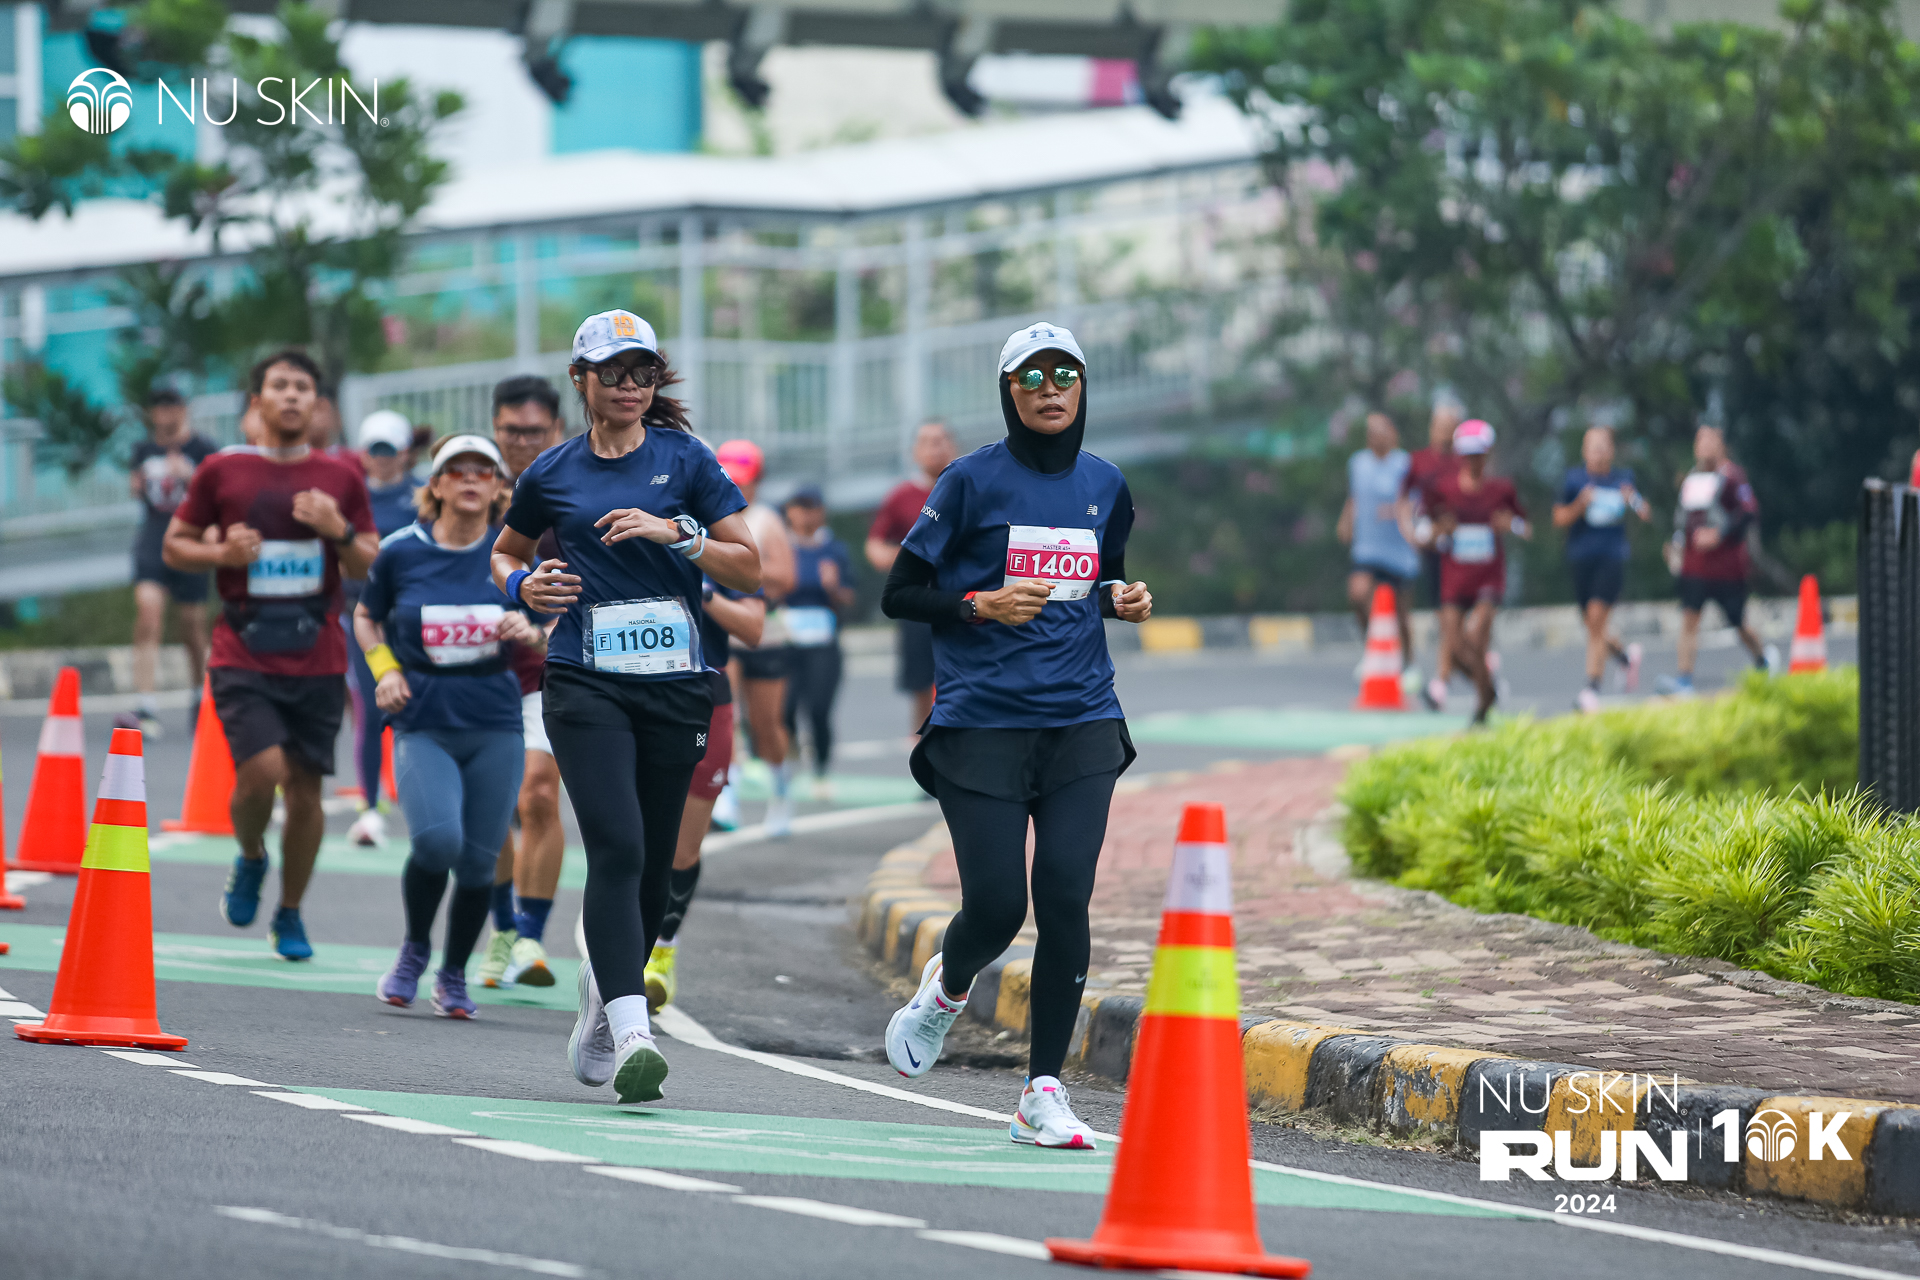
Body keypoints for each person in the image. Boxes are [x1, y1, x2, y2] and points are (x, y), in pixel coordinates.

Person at [878, 321, 1152, 1150]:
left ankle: (1042, 1091)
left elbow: (1097, 581)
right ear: (1009, 391)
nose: (1049, 388)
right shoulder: (968, 482)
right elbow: (900, 592)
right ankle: (949, 986)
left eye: (1064, 373)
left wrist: (1123, 599)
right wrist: (978, 604)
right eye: (1031, 376)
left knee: (1065, 892)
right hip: (982, 723)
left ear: (1082, 386)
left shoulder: (1106, 483)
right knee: (998, 906)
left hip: (1082, 719)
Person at [491, 309, 760, 1104]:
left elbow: (748, 568)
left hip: (677, 686)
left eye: (643, 372)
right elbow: (505, 552)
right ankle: (636, 1030)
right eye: (613, 372)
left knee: (651, 861)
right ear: (582, 380)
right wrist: (523, 585)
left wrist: (678, 535)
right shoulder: (552, 472)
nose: (630, 386)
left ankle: (604, 1001)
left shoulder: (687, 459)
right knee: (615, 844)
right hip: (585, 680)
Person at [165, 349, 378, 961]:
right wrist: (221, 556)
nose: (291, 396)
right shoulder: (222, 471)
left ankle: (289, 912)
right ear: (257, 401)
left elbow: (369, 562)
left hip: (317, 652)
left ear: (318, 404)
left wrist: (338, 530)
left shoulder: (341, 477)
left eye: (302, 387)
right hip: (243, 648)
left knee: (306, 791)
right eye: (279, 386)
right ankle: (252, 854)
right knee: (262, 772)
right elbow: (176, 545)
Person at [359, 435, 537, 1018]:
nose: (470, 480)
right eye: (456, 471)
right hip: (424, 721)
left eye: (482, 471)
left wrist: (530, 632)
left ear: (498, 486)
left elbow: (551, 625)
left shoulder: (511, 557)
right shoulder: (400, 552)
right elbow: (366, 616)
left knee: (480, 862)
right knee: (438, 842)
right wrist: (385, 669)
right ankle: (414, 948)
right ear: (435, 485)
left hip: (495, 722)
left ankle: (454, 973)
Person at [476, 375, 570, 990]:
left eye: (535, 432)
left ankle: (530, 938)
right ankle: (502, 929)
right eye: (512, 431)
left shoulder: (572, 495)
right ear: (496, 430)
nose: (523, 442)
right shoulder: (468, 488)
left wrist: (545, 631)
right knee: (491, 812)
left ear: (556, 430)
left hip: (545, 674)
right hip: (474, 678)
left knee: (537, 796)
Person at [643, 568, 767, 1013]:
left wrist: (704, 593)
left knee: (682, 850)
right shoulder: (612, 530)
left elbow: (752, 629)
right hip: (630, 694)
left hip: (704, 698)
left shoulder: (719, 542)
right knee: (629, 839)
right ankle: (620, 958)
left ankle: (661, 950)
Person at [343, 410, 421, 847]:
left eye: (389, 449)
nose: (382, 457)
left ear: (405, 452)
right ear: (363, 454)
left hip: (413, 620)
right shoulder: (350, 499)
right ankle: (370, 809)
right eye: (375, 449)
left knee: (420, 704)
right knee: (371, 710)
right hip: (365, 620)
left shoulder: (424, 496)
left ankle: (425, 802)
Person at [1421, 418, 1529, 725]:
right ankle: (1488, 690)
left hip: (1488, 576)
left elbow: (1525, 526)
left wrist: (1510, 524)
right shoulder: (1443, 489)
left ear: (1488, 454)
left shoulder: (1501, 489)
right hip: (1455, 577)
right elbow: (1425, 531)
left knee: (1478, 634)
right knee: (1456, 646)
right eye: (1467, 454)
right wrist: (1439, 530)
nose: (1473, 461)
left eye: (1478, 454)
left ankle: (1482, 707)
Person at [715, 439, 798, 836]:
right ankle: (727, 799)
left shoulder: (766, 519)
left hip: (765, 632)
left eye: (743, 479)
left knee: (766, 724)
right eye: (729, 477)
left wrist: (740, 569)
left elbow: (786, 577)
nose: (736, 486)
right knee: (726, 715)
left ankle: (780, 792)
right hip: (723, 630)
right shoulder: (710, 516)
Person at [128, 387, 216, 738]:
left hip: (190, 540)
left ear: (182, 410)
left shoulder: (202, 448)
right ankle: (145, 703)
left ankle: (198, 694)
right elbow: (136, 489)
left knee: (192, 624)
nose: (165, 414)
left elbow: (215, 493)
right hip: (153, 540)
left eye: (171, 407)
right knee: (148, 612)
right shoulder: (143, 450)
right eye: (159, 408)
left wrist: (188, 475)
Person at [1658, 424, 1771, 695]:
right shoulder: (1691, 479)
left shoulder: (1733, 477)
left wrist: (1719, 534)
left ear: (1721, 446)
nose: (1706, 447)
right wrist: (1676, 546)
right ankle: (1684, 680)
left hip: (1727, 568)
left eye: (1711, 441)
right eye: (1701, 441)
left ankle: (1763, 661)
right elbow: (1684, 521)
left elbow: (1749, 513)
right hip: (1694, 566)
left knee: (1738, 623)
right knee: (1689, 619)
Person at [867, 421, 959, 734]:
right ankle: (922, 746)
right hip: (918, 603)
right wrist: (914, 559)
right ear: (915, 451)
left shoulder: (969, 487)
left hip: (964, 599)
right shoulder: (901, 496)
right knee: (921, 682)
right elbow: (875, 548)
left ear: (954, 447)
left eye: (941, 440)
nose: (935, 448)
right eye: (927, 442)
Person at [1552, 426, 1649, 712]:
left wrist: (1633, 499)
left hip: (1612, 557)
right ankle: (1625, 657)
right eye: (1592, 446)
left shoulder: (1623, 479)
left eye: (1603, 446)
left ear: (1611, 450)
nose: (1598, 451)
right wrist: (1580, 505)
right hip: (1581, 558)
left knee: (1596, 618)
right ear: (1584, 451)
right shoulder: (1574, 480)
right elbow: (1558, 518)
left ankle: (1591, 688)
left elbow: (1645, 512)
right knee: (1593, 624)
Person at [781, 485, 856, 800]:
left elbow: (850, 598)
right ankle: (787, 762)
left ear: (822, 512)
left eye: (812, 508)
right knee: (784, 709)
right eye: (800, 507)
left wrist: (834, 587)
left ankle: (822, 770)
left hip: (823, 642)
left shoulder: (834, 549)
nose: (806, 515)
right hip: (786, 641)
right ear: (789, 512)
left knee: (819, 709)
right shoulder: (780, 546)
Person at [1337, 411, 1417, 663]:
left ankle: (1407, 661)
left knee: (1400, 612)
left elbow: (1416, 503)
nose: (1375, 437)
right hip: (1367, 547)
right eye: (1371, 433)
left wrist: (1395, 512)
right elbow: (1354, 497)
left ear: (1392, 435)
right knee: (1358, 595)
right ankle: (1374, 648)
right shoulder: (1358, 463)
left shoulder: (1404, 464)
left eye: (1380, 432)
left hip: (1398, 549)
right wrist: (1346, 521)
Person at [1400, 400, 1463, 708]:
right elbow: (1403, 500)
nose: (1444, 432)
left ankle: (1445, 679)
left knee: (1456, 616)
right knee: (1445, 616)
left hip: (1462, 548)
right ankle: (1452, 676)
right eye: (1440, 426)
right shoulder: (1418, 461)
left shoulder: (1466, 462)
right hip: (1433, 550)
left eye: (1450, 427)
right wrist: (1410, 533)